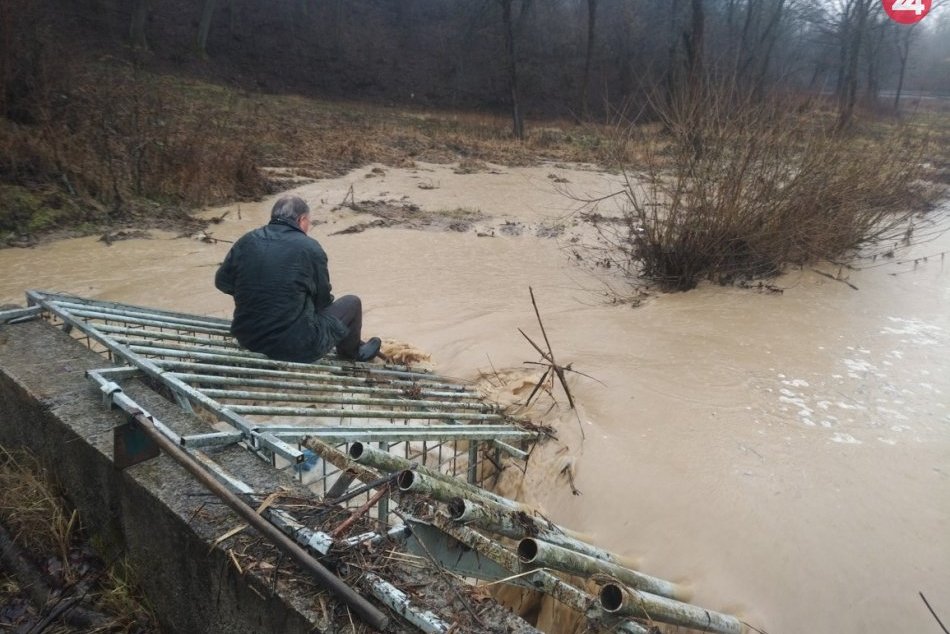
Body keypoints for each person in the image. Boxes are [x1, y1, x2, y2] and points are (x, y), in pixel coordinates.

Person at [215, 195, 381, 363]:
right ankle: (352, 353)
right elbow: (322, 301)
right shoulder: (310, 248)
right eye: (309, 221)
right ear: (301, 220)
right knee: (352, 303)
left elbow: (222, 283)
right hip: (293, 348)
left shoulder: (246, 240)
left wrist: (257, 294)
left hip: (247, 338)